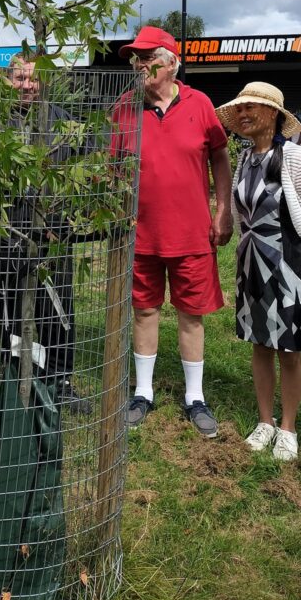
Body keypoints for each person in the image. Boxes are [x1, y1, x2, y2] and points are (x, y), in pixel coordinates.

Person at [114, 26, 232, 437]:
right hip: (140, 233)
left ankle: (194, 397)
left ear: (172, 63)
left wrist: (224, 210)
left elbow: (219, 156)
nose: (141, 65)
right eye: (136, 58)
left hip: (192, 233)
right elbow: (113, 170)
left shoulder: (200, 105)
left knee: (190, 313)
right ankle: (142, 392)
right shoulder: (124, 108)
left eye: (148, 58)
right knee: (144, 309)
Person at [0, 55, 90, 413]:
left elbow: (85, 174)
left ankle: (59, 379)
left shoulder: (62, 123)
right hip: (4, 232)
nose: (27, 86)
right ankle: (16, 374)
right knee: (10, 302)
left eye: (33, 79)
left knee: (57, 306)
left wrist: (64, 220)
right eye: (19, 78)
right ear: (6, 81)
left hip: (52, 233)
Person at [215, 82, 301, 461]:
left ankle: (289, 427)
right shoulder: (245, 159)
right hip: (250, 265)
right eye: (240, 109)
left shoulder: (296, 158)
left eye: (253, 108)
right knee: (260, 344)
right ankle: (265, 421)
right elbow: (237, 210)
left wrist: (292, 258)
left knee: (289, 349)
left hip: (287, 265)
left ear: (275, 115)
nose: (244, 114)